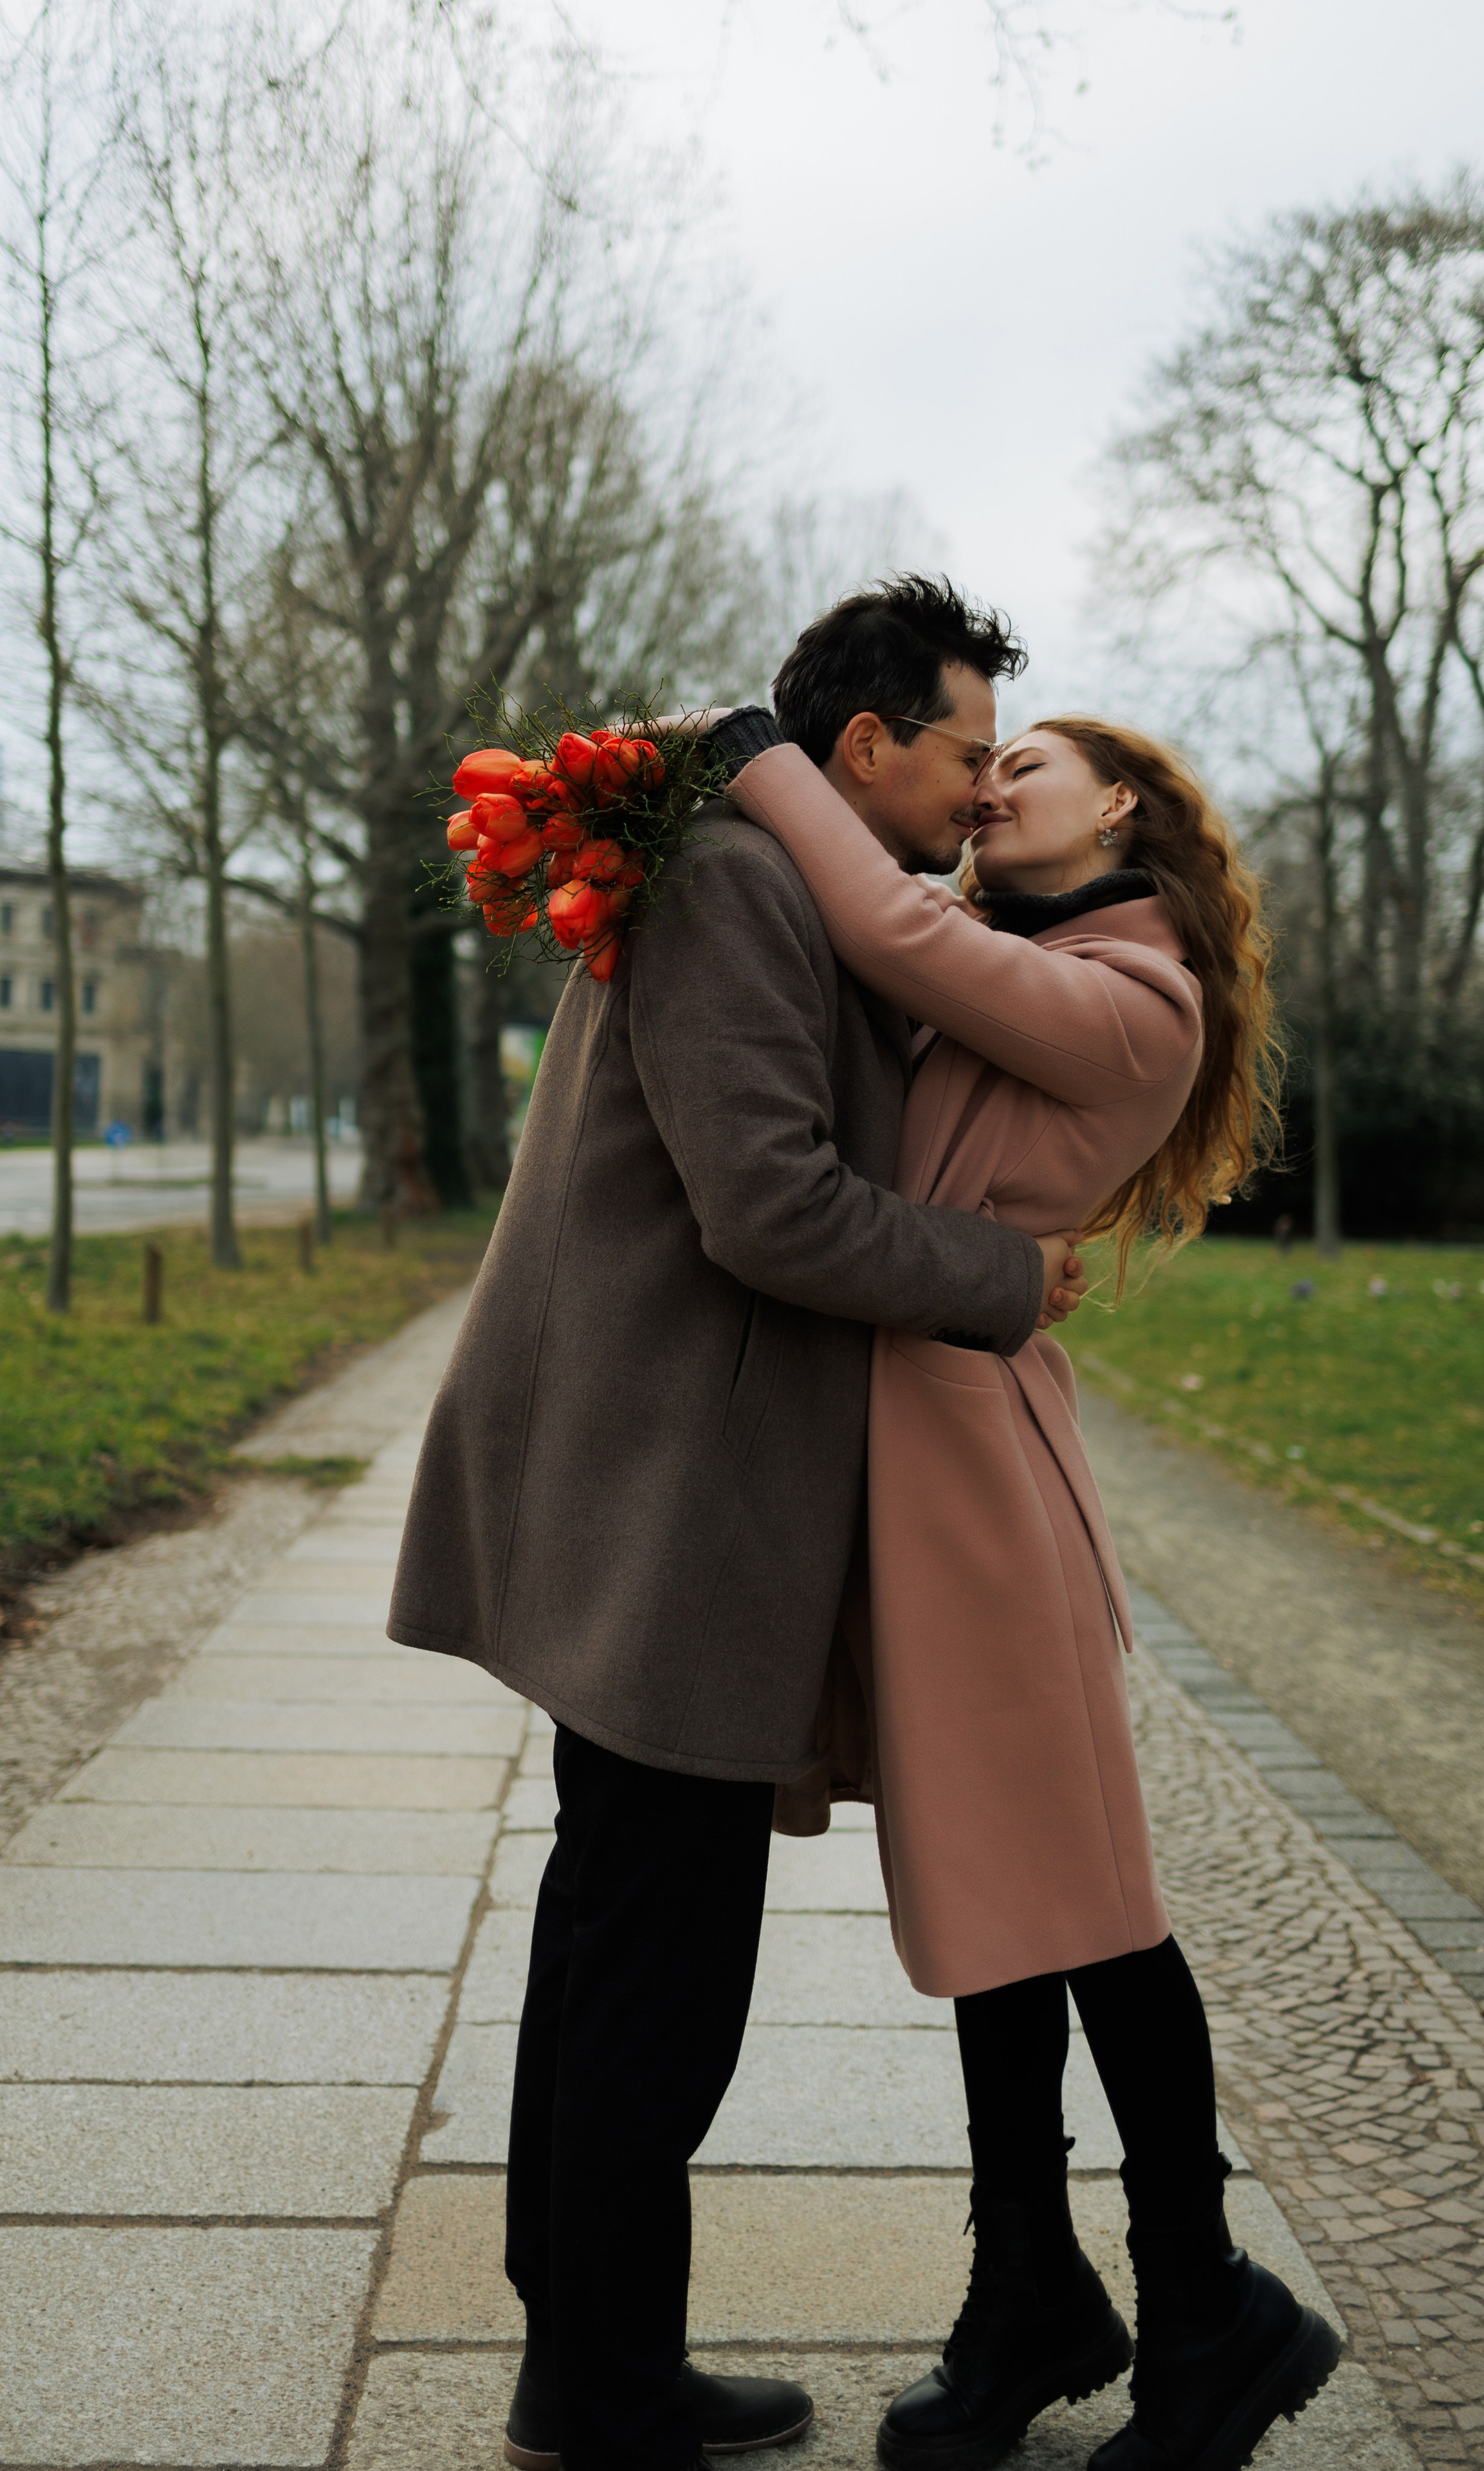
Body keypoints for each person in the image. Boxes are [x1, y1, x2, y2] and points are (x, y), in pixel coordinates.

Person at [385, 576, 1093, 2471]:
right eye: (963, 752)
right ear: (865, 742)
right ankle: (603, 2386)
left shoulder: (777, 876)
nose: (979, 791)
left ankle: (592, 2355)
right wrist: (1005, 1277)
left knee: (618, 1935)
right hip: (662, 1503)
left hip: (662, 1485)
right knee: (657, 1966)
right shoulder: (739, 885)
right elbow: (768, 1203)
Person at [699, 711, 1341, 2471]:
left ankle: (1204, 2304)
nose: (987, 789)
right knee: (1001, 1896)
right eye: (979, 765)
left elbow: (886, 927)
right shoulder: (1005, 954)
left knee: (1092, 1906)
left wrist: (750, 757)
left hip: (985, 1483)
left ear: (1121, 803)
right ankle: (1035, 2286)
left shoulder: (1138, 997)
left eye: (1025, 765)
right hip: (926, 1465)